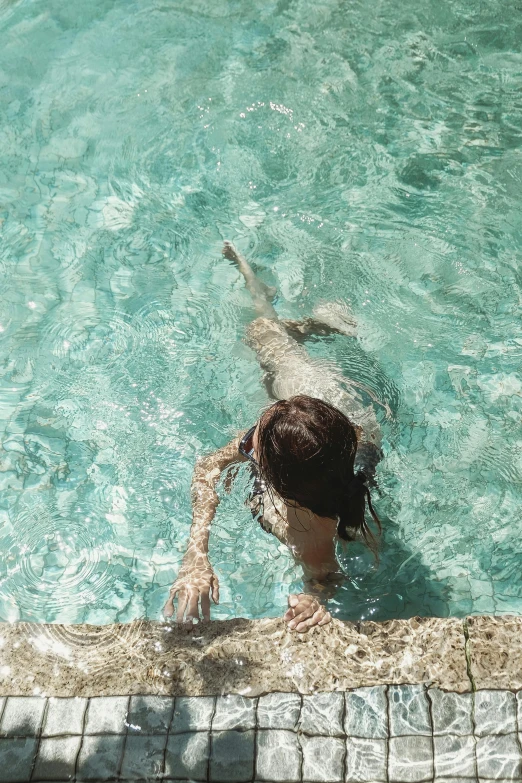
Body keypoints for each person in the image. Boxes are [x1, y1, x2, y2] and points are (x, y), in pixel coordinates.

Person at [163, 242, 383, 632]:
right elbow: (208, 465)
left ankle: (299, 323)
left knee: (264, 335)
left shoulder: (306, 530)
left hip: (335, 425)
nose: (244, 444)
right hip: (332, 404)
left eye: (252, 444)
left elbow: (325, 577)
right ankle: (283, 310)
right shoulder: (335, 437)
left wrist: (314, 600)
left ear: (276, 480)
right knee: (261, 331)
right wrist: (195, 555)